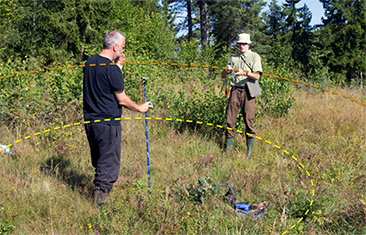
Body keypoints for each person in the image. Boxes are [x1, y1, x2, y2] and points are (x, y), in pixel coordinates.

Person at [83, 30, 151, 205]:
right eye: (121, 47)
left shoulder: (90, 62)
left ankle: (99, 194)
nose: (122, 50)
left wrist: (117, 67)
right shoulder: (112, 70)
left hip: (91, 122)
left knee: (99, 160)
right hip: (108, 124)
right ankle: (101, 204)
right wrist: (140, 108)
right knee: (108, 163)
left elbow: (103, 81)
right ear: (114, 47)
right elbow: (122, 99)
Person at [221, 33, 262, 158]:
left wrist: (244, 73)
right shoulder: (234, 58)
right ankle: (228, 151)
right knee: (229, 120)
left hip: (249, 91)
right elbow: (223, 75)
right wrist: (226, 71)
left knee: (249, 121)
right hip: (235, 91)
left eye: (244, 43)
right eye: (240, 44)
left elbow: (257, 76)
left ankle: (248, 154)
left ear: (249, 44)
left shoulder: (255, 57)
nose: (242, 46)